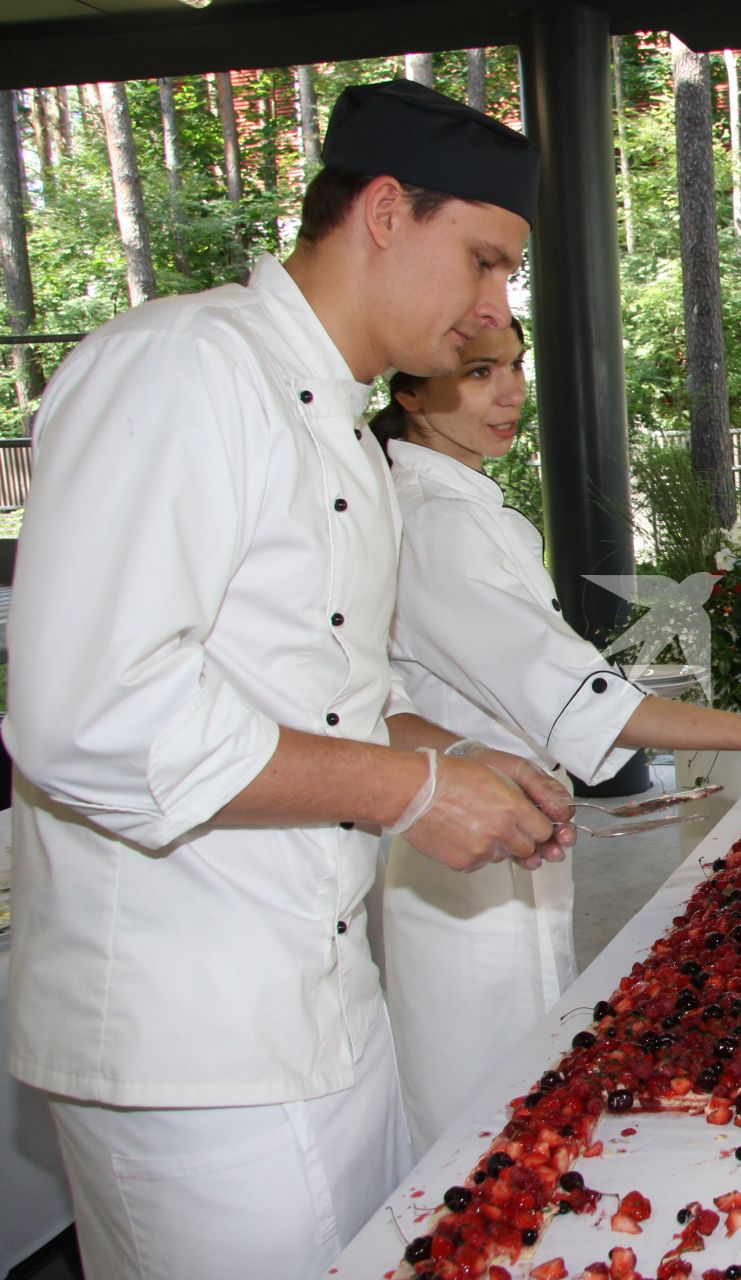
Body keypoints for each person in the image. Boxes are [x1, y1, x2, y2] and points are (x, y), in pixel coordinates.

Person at [1, 81, 576, 1279]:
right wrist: (414, 792)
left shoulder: (348, 433)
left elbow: (331, 700)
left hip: (319, 998)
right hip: (186, 1033)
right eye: (482, 262)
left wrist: (453, 756)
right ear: (382, 210)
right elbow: (88, 713)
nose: (492, 312)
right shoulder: (182, 365)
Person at [371, 320, 741, 1150]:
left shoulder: (460, 504)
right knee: (481, 1122)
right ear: (408, 386)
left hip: (510, 830)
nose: (510, 393)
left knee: (522, 1082)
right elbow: (588, 702)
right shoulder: (438, 523)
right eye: (477, 372)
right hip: (458, 862)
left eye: (514, 366)